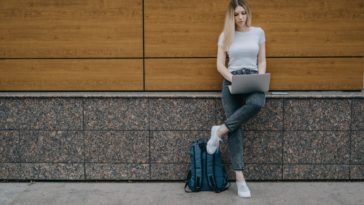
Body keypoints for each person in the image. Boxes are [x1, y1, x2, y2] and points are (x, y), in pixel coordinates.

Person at [206, 0, 267, 198]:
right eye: (236, 14)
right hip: (231, 80)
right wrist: (234, 80)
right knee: (236, 130)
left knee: (257, 103)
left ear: (248, 13)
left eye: (243, 13)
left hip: (252, 78)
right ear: (231, 17)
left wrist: (259, 77)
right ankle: (240, 179)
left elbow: (262, 60)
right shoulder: (225, 36)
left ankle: (220, 130)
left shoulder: (258, 32)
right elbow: (220, 65)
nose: (241, 17)